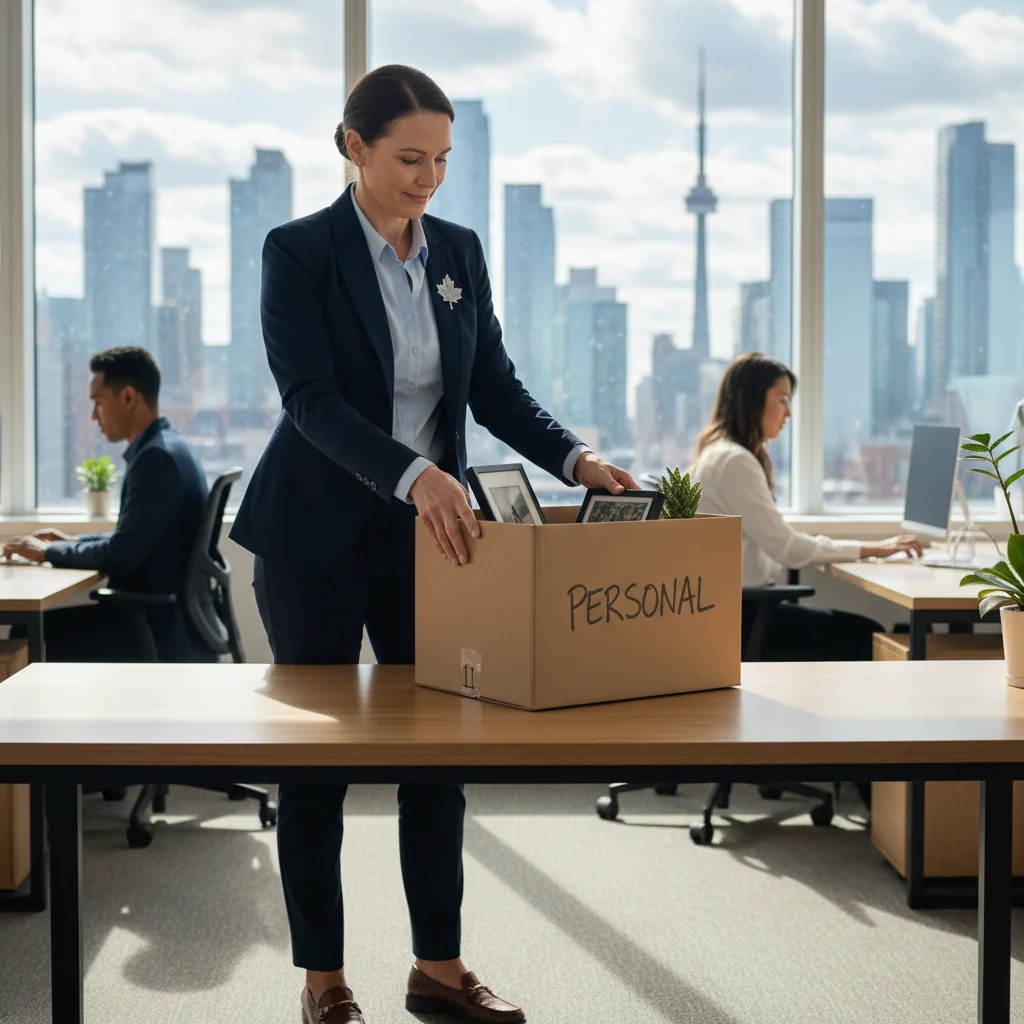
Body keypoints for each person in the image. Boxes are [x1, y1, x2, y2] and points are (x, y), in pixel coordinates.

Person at [229, 64, 639, 1024]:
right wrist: (414, 474)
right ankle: (323, 982)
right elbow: (311, 401)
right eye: (410, 157)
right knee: (317, 770)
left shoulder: (456, 250)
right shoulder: (299, 252)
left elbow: (491, 384)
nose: (428, 177)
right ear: (352, 147)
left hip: (438, 540)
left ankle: (439, 971)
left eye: (444, 159)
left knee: (437, 758)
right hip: (318, 534)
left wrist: (575, 459)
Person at [691, 351, 922, 661]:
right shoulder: (735, 461)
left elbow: (778, 539)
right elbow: (788, 549)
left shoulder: (721, 454)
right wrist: (872, 549)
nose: (788, 414)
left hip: (735, 609)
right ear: (752, 400)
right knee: (867, 635)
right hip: (745, 616)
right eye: (783, 401)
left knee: (870, 633)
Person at [2, 347, 213, 663]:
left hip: (149, 626)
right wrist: (72, 541)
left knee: (27, 630)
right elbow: (132, 539)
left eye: (97, 402)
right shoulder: (172, 447)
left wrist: (46, 553)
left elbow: (121, 555)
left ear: (128, 397)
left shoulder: (157, 459)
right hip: (165, 617)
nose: (93, 415)